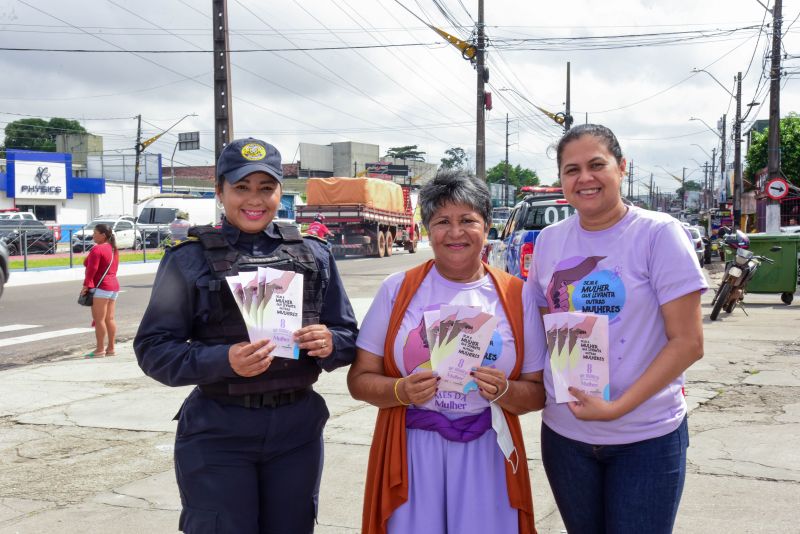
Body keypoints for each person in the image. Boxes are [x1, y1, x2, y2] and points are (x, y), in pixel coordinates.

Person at [134, 138, 358, 534]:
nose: (254, 199)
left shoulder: (313, 254)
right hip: (218, 431)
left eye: (266, 188)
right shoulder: (187, 259)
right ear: (220, 191)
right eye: (241, 187)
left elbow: (347, 334)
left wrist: (330, 343)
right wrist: (224, 360)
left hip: (296, 430)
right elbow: (154, 350)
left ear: (279, 193)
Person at [526, 124, 706, 533]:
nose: (584, 178)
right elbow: (540, 321)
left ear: (622, 168)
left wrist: (617, 408)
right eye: (571, 169)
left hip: (646, 437)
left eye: (596, 165)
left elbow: (689, 342)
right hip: (565, 435)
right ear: (561, 180)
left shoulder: (658, 234)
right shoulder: (550, 242)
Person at [348, 170, 546, 534]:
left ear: (487, 226)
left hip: (488, 451)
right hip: (411, 452)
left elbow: (536, 391)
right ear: (426, 229)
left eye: (468, 220)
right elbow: (359, 379)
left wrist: (505, 391)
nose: (455, 233)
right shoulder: (398, 290)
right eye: (442, 221)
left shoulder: (516, 295)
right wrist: (400, 391)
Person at [80, 223, 119, 358]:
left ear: (103, 235)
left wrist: (86, 286)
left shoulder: (97, 249)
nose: (93, 235)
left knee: (99, 319)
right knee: (110, 318)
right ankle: (111, 348)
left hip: (101, 287)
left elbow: (91, 270)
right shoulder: (113, 249)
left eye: (95, 233)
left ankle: (100, 349)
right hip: (113, 286)